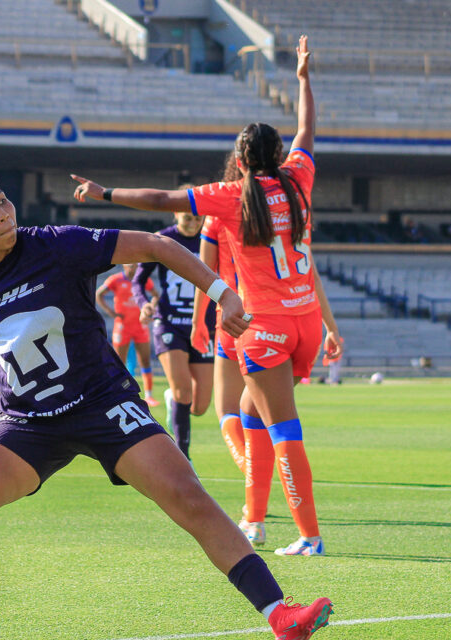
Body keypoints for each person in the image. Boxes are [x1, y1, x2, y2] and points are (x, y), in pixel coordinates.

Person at [0, 156, 332, 640]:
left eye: (1, 200)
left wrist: (223, 294)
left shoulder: (57, 244)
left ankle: (281, 616)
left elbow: (156, 245)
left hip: (103, 403)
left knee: (187, 495)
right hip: (27, 422)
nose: (2, 213)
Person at [72, 36, 343, 557]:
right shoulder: (299, 179)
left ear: (240, 160)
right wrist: (304, 79)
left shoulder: (229, 197)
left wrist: (106, 194)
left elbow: (160, 200)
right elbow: (309, 128)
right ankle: (255, 520)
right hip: (305, 321)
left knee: (282, 427)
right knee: (248, 413)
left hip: (262, 328)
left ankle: (309, 534)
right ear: (279, 156)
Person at [130, 195, 216, 460]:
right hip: (169, 323)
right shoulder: (163, 239)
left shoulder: (212, 241)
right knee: (183, 390)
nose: (193, 224)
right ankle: (183, 455)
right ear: (176, 215)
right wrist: (144, 303)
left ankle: (172, 403)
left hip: (203, 325)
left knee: (200, 406)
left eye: (198, 218)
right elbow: (138, 280)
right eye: (187, 218)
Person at [190, 152, 250, 516]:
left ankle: (252, 476)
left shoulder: (218, 213)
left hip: (231, 318)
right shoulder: (282, 207)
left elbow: (204, 274)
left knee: (227, 408)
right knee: (266, 415)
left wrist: (199, 323)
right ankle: (259, 491)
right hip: (277, 316)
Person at [95, 263, 158, 405]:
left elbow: (156, 295)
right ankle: (119, 392)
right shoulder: (115, 279)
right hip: (122, 326)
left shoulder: (143, 280)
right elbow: (99, 294)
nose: (133, 268)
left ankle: (149, 395)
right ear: (124, 265)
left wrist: (150, 308)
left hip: (140, 325)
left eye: (136, 265)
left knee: (145, 359)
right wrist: (110, 312)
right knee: (119, 362)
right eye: (130, 265)